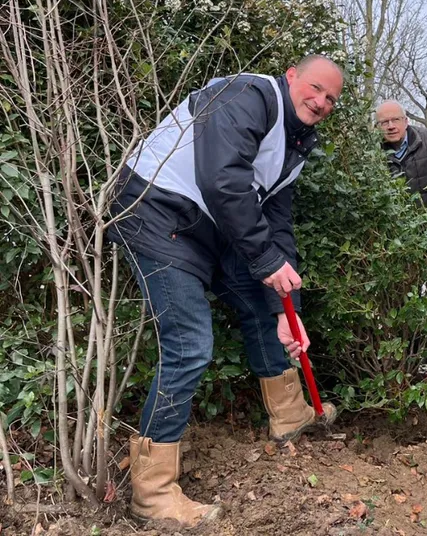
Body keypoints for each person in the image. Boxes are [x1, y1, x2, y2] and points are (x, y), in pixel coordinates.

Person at [107, 55, 343, 527]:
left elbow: (277, 225)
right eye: (315, 88)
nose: (320, 102)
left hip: (209, 224)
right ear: (291, 77)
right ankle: (152, 493)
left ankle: (290, 414)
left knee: (263, 303)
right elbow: (222, 180)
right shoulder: (246, 93)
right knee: (189, 344)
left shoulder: (296, 145)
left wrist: (286, 310)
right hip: (155, 210)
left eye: (331, 100)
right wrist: (266, 261)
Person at [375, 100, 427, 207]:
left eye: (396, 119)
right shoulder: (373, 155)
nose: (391, 126)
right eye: (384, 122)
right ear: (377, 127)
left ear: (406, 122)